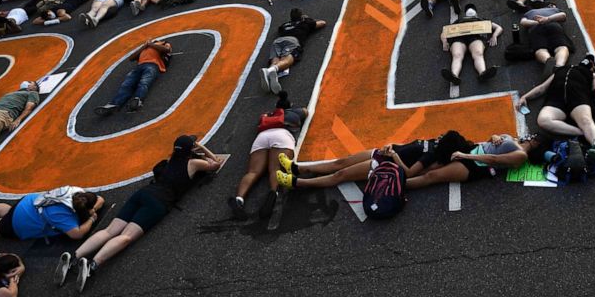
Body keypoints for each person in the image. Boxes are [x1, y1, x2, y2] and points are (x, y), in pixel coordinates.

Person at [60, 136, 221, 293]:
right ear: (191, 149)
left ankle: (74, 256)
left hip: (143, 193)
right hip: (159, 202)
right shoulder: (193, 163)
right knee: (127, 236)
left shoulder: (169, 162)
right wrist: (203, 148)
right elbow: (215, 164)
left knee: (110, 231)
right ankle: (92, 265)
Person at [517, 55, 595, 166]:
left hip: (578, 98)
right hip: (556, 100)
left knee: (586, 120)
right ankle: (582, 133)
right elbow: (542, 88)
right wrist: (525, 97)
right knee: (543, 120)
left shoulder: (593, 75)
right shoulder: (560, 70)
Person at [276, 133, 448, 191]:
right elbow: (409, 147)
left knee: (340, 175)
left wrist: (394, 155)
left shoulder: (431, 155)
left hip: (384, 165)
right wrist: (392, 146)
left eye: (445, 137)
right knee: (340, 162)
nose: (441, 135)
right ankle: (297, 168)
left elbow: (409, 172)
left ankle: (298, 183)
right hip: (382, 153)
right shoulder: (433, 142)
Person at [229, 91, 308, 217]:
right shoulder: (293, 113)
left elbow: (261, 120)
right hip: (282, 135)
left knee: (253, 172)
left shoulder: (267, 115)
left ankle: (239, 199)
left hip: (262, 137)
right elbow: (305, 111)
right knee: (275, 169)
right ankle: (273, 193)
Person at [0, 188, 104, 242]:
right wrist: (91, 218)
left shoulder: (76, 191)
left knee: (8, 212)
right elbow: (76, 234)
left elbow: (100, 200)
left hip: (29, 203)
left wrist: (92, 209)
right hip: (21, 222)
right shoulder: (63, 216)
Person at [404, 131, 544, 189]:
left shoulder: (522, 155)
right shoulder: (514, 139)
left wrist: (465, 156)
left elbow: (494, 159)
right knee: (432, 166)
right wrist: (494, 136)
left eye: (535, 137)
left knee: (432, 176)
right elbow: (490, 143)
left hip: (476, 165)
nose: (530, 136)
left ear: (537, 145)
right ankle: (401, 176)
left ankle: (397, 185)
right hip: (473, 150)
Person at [94, 39, 172, 114]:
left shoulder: (164, 43)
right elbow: (131, 58)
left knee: (144, 82)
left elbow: (167, 50)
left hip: (152, 65)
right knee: (126, 84)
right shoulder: (145, 47)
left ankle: (138, 99)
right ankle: (114, 104)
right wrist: (144, 46)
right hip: (139, 66)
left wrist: (150, 44)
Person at [260, 8, 326, 94]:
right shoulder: (305, 22)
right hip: (292, 41)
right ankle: (270, 70)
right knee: (289, 58)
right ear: (301, 16)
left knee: (275, 59)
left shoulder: (284, 25)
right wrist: (308, 19)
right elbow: (322, 23)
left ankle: (271, 73)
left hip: (277, 41)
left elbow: (279, 30)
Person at [440, 3, 502, 85]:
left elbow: (498, 28)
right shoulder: (459, 21)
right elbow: (444, 31)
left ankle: (483, 73)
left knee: (478, 53)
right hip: (459, 38)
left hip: (475, 37)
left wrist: (494, 36)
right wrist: (444, 42)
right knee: (457, 55)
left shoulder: (482, 20)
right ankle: (454, 76)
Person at [520, 2, 574, 74]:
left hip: (535, 28)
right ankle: (559, 65)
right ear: (550, 6)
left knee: (540, 50)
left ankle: (548, 61)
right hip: (553, 25)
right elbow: (563, 15)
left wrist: (538, 22)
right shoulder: (554, 10)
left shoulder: (529, 13)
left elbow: (523, 22)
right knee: (561, 47)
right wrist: (547, 19)